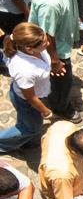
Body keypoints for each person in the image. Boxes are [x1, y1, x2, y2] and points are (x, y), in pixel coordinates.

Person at [28, 0, 80, 121]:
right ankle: (60, 106)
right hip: (56, 48)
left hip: (65, 35)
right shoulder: (50, 1)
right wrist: (56, 61)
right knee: (62, 82)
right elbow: (46, 35)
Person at [0, 23, 52, 152]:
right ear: (29, 48)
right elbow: (31, 97)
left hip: (37, 93)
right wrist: (46, 111)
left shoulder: (35, 48)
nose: (48, 43)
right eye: (45, 43)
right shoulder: (24, 69)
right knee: (29, 128)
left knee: (31, 123)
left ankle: (31, 142)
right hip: (27, 101)